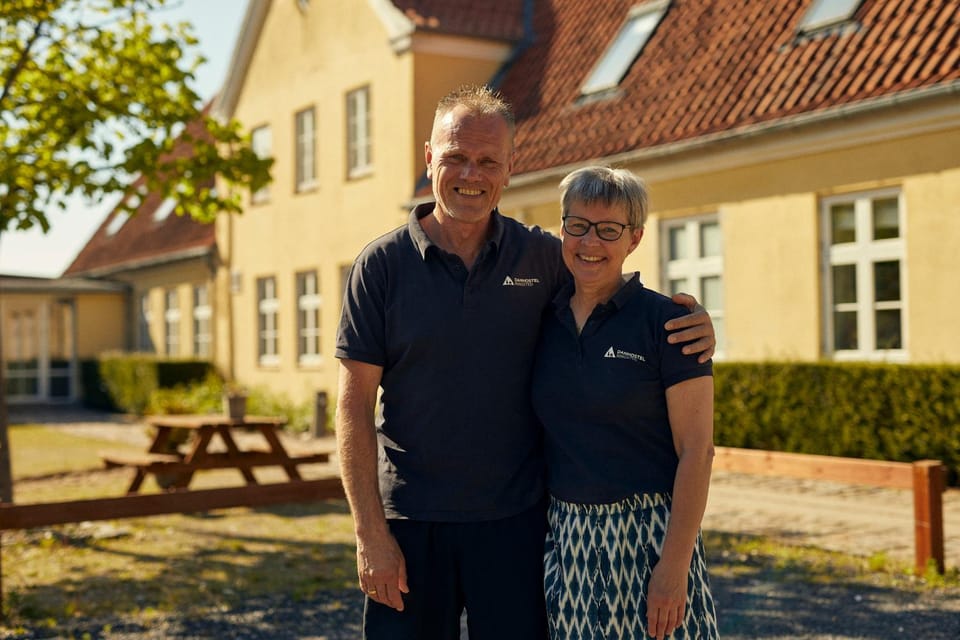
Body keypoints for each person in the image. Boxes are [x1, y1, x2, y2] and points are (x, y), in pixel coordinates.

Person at [335, 85, 715, 640]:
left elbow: (604, 282)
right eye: (456, 157)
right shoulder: (381, 266)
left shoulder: (541, 256)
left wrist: (694, 323)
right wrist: (370, 534)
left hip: (517, 525)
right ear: (428, 159)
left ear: (510, 168)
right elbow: (352, 408)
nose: (472, 172)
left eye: (488, 160)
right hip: (410, 523)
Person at [532, 166, 719, 640]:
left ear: (633, 239)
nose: (590, 242)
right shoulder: (539, 320)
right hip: (568, 538)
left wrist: (674, 567)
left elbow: (697, 451)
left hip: (652, 538)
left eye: (609, 230)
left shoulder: (669, 324)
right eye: (578, 225)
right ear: (562, 229)